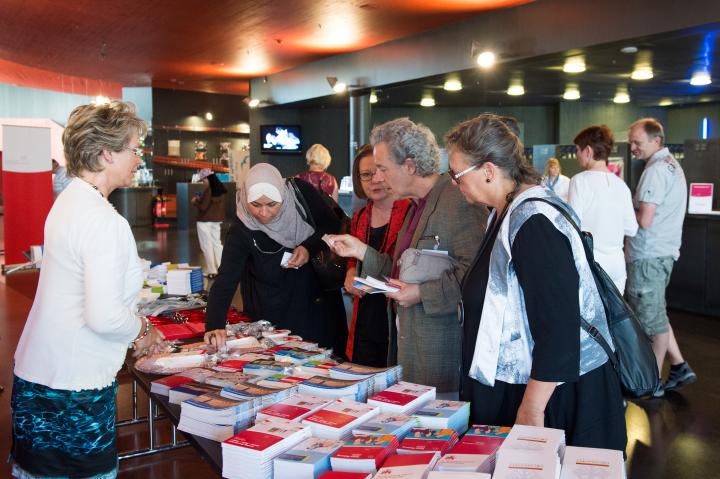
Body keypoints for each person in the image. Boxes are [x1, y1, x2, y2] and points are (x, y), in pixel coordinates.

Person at [448, 114, 626, 451]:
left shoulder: (534, 221)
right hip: (522, 383)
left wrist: (531, 409)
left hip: (548, 397)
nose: (456, 185)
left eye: (456, 175)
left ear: (488, 170)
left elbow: (559, 325)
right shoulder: (505, 211)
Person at [11, 100, 164, 479]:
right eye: (133, 149)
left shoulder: (69, 202)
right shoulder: (102, 220)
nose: (138, 158)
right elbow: (103, 316)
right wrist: (144, 330)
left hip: (39, 373)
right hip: (73, 387)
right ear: (106, 153)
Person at [328, 118, 487, 396]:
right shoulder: (416, 207)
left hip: (443, 360)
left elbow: (476, 277)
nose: (378, 178)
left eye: (383, 169)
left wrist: (420, 293)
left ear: (411, 166)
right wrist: (360, 251)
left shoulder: (458, 200)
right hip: (410, 352)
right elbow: (401, 272)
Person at [204, 163, 348, 357]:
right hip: (273, 309)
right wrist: (214, 325)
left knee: (323, 360)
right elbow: (226, 279)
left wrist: (308, 247)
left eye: (272, 204)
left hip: (315, 301)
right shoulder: (241, 228)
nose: (264, 213)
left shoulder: (300, 193)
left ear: (283, 196)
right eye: (255, 205)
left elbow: (330, 223)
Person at [626, 118, 695, 397]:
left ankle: (651, 383)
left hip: (648, 256)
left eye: (637, 143)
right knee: (657, 313)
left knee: (651, 324)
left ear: (656, 141)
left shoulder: (655, 170)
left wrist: (618, 211)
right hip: (662, 253)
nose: (632, 148)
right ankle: (679, 366)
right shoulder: (671, 166)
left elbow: (645, 219)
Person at [343, 144, 411, 366]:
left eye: (381, 171)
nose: (375, 179)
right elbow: (353, 259)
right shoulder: (360, 216)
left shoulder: (411, 212)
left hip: (398, 315)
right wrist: (351, 271)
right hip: (364, 315)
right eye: (366, 174)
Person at [568, 125, 638, 292]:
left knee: (589, 317)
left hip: (591, 264)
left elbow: (572, 225)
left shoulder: (579, 181)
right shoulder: (621, 186)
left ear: (588, 151)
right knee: (615, 317)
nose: (576, 155)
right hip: (616, 265)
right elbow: (632, 229)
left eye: (578, 150)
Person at [192, 167, 227, 278]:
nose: (203, 183)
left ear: (208, 178)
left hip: (204, 221)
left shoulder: (208, 190)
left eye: (203, 180)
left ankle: (212, 270)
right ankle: (222, 268)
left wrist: (195, 201)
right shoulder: (220, 189)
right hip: (216, 221)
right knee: (217, 244)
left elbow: (203, 207)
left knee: (206, 246)